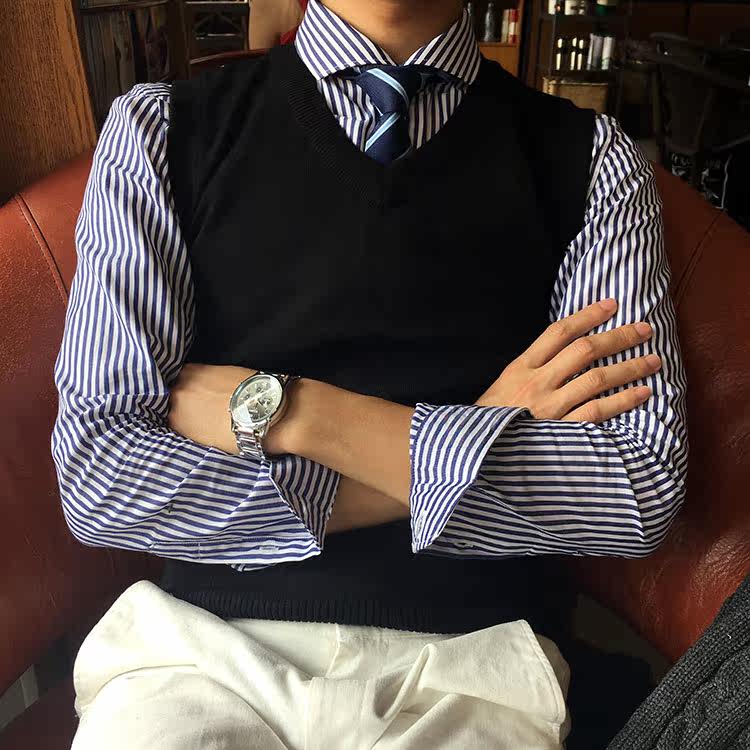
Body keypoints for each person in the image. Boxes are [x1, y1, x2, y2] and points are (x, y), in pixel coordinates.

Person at [51, 0, 688, 747]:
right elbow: (100, 477)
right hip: (198, 653)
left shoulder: (595, 160)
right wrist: (476, 427)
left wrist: (297, 414)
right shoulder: (160, 130)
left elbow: (637, 487)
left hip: (477, 666)